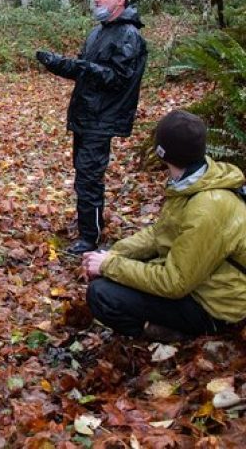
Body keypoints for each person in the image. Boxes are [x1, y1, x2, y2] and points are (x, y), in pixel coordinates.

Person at [83, 110, 246, 342]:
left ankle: (173, 334)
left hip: (216, 306)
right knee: (113, 266)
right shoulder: (196, 179)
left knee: (102, 294)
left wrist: (110, 265)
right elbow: (160, 233)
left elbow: (174, 282)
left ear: (162, 152)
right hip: (199, 282)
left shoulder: (206, 207)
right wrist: (112, 254)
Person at [36, 0, 147, 255]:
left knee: (88, 177)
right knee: (83, 175)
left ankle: (89, 239)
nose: (97, 0)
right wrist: (58, 64)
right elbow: (84, 72)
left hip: (103, 119)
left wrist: (81, 66)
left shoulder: (128, 35)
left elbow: (117, 78)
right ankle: (87, 226)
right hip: (85, 116)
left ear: (120, 0)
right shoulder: (98, 32)